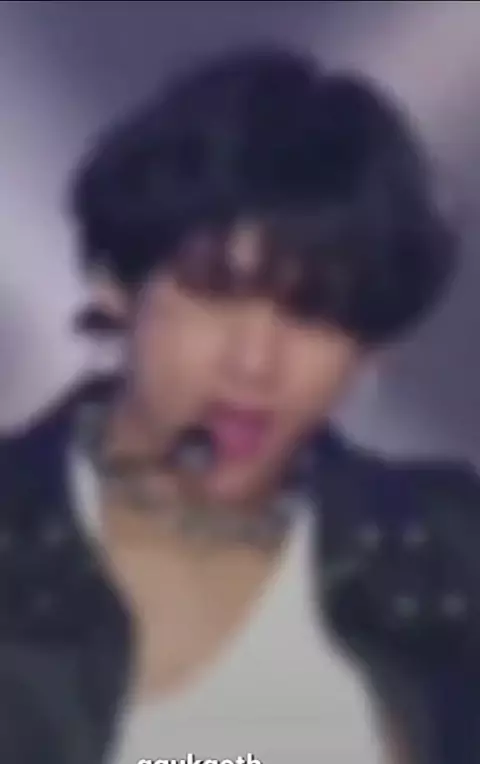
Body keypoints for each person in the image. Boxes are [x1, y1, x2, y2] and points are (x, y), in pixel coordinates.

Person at [1, 45, 480, 764]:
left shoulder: (445, 556)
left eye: (311, 314)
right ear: (118, 287)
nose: (254, 364)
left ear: (369, 348)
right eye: (215, 295)